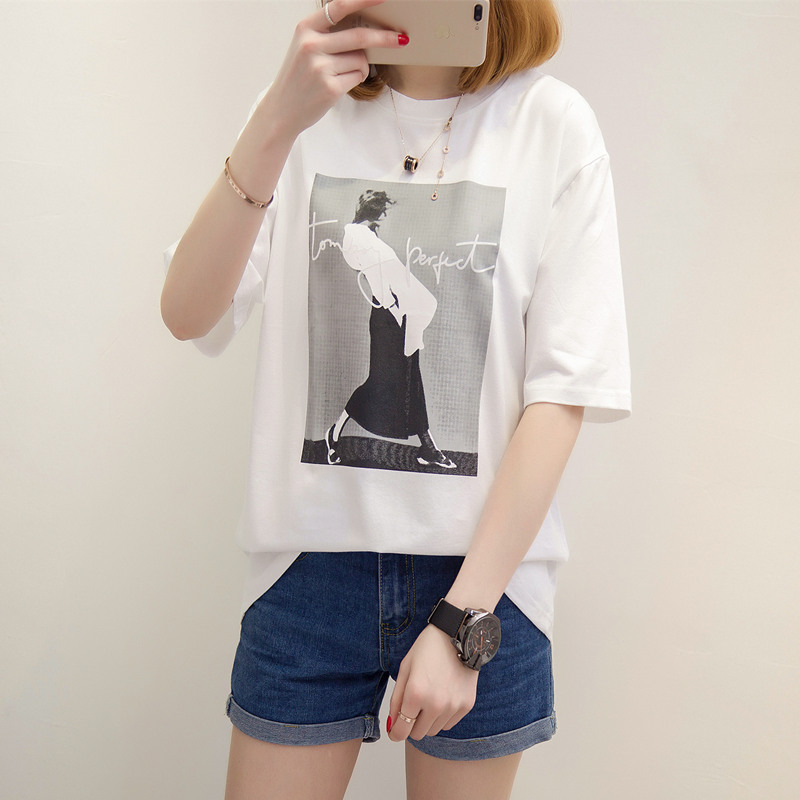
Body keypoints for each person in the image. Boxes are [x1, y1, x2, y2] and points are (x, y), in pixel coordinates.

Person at [161, 0, 631, 798]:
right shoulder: (301, 113)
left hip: (487, 578)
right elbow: (187, 312)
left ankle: (418, 450)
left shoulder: (551, 126)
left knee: (399, 397)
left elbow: (563, 393)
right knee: (383, 393)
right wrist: (276, 120)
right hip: (308, 572)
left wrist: (465, 617)